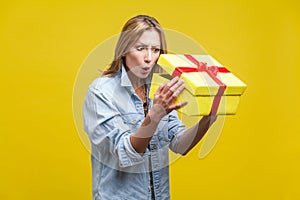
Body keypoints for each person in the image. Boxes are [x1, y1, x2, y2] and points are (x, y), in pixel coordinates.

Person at [83, 15, 217, 200]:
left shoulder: (159, 90)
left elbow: (180, 144)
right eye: (140, 49)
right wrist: (154, 116)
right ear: (124, 49)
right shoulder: (101, 92)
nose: (149, 58)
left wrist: (210, 116)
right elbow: (125, 153)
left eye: (155, 50)